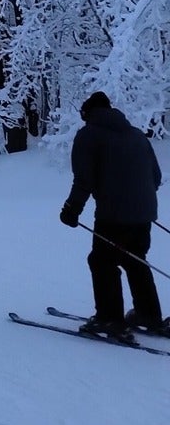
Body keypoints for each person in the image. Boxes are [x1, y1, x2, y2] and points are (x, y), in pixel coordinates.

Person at [60, 90, 166, 339]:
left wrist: (71, 210)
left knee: (101, 262)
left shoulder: (88, 135)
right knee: (136, 260)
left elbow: (83, 179)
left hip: (113, 215)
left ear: (87, 113)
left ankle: (109, 319)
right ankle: (148, 315)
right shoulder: (137, 135)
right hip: (145, 213)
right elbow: (157, 178)